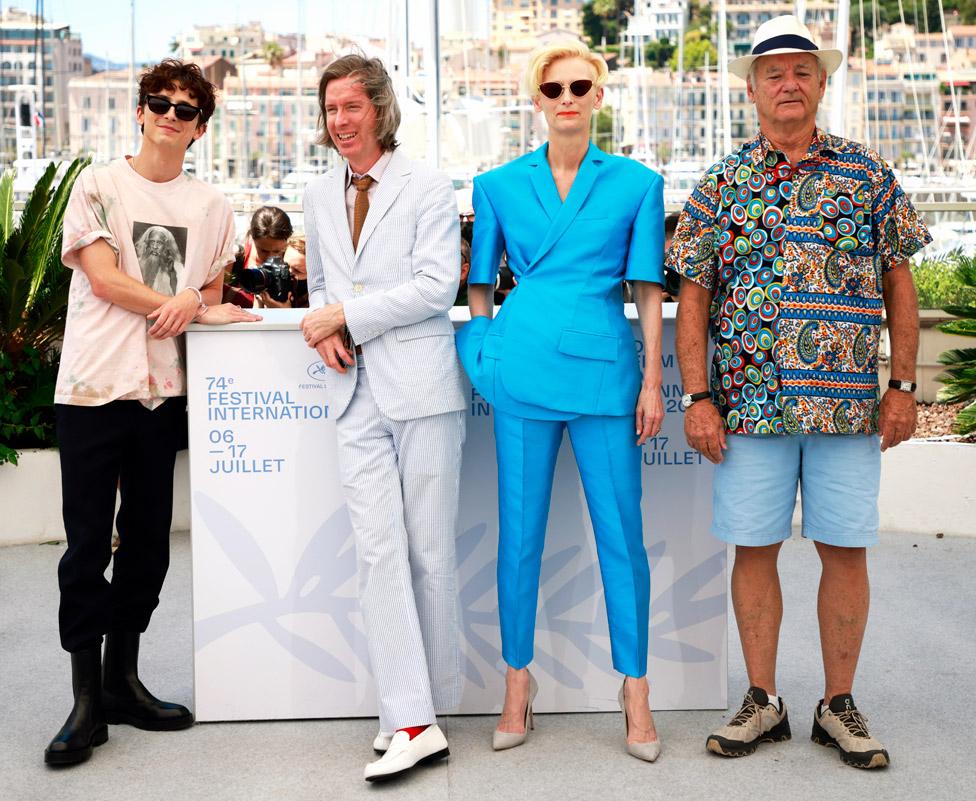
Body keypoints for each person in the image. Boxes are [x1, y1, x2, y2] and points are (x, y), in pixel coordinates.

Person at [667, 15, 928, 770]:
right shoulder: (721, 183)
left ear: (821, 82)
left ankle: (838, 703)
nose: (789, 83)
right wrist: (697, 396)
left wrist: (903, 386)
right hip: (748, 407)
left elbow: (898, 285)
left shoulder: (869, 175)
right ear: (751, 89)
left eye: (802, 71)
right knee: (755, 547)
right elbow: (694, 298)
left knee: (846, 548)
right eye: (774, 72)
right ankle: (762, 699)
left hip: (848, 407)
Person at [46, 59, 260, 766]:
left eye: (187, 109)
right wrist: (182, 302)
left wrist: (196, 300)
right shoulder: (98, 185)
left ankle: (121, 682)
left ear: (201, 128)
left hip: (161, 393)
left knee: (147, 544)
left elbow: (213, 287)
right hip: (92, 386)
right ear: (140, 112)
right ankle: (83, 699)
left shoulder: (213, 208)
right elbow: (103, 277)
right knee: (85, 545)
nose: (171, 115)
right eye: (160, 103)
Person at [455, 39, 666, 762]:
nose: (567, 97)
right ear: (537, 99)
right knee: (519, 536)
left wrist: (653, 382)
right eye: (554, 89)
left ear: (599, 97)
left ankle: (635, 688)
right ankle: (517, 681)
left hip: (606, 372)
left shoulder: (638, 183)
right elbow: (479, 285)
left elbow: (646, 290)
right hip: (520, 370)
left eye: (580, 86)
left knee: (622, 540)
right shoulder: (498, 185)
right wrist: (482, 352)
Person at [299, 54, 466, 782]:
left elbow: (437, 286)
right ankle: (408, 715)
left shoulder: (428, 186)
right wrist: (328, 325)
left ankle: (423, 712)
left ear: (379, 110)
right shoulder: (314, 192)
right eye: (331, 109)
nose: (340, 121)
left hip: (423, 388)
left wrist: (346, 315)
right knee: (377, 552)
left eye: (351, 107)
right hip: (353, 392)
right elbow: (321, 282)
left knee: (429, 552)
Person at [223, 206, 293, 308]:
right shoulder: (234, 260)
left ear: (287, 241)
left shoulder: (292, 262)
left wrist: (286, 310)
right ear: (251, 237)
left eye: (277, 251)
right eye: (263, 250)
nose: (270, 257)